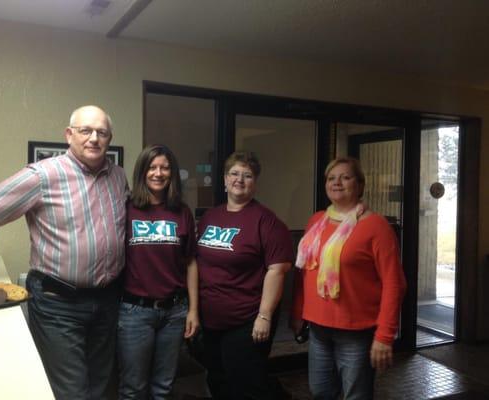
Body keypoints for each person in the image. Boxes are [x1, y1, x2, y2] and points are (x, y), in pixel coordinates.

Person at [0, 105, 129, 399]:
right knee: (72, 392)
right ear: (69, 134)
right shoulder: (42, 175)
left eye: (102, 132)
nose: (94, 139)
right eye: (85, 130)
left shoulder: (119, 177)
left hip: (107, 301)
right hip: (58, 304)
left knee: (102, 386)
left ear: (110, 138)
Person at [291, 157, 406, 400]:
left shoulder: (376, 226)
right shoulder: (316, 221)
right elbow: (304, 273)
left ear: (360, 185)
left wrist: (385, 335)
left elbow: (394, 283)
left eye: (345, 177)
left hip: (356, 332)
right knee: (320, 392)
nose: (337, 183)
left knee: (356, 396)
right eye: (331, 178)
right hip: (318, 329)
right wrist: (297, 312)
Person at [196, 151, 294, 400]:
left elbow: (277, 270)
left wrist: (264, 316)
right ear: (225, 180)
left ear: (255, 182)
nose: (240, 179)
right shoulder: (210, 217)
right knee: (217, 378)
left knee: (246, 383)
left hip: (246, 320)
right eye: (234, 173)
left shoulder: (267, 221)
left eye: (247, 175)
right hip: (210, 319)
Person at [117, 144, 199, 399]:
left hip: (174, 312)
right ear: (142, 171)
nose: (158, 173)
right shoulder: (126, 209)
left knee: (163, 387)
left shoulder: (182, 212)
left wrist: (193, 310)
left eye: (165, 167)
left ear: (172, 173)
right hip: (134, 312)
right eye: (152, 167)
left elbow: (191, 262)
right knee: (133, 388)